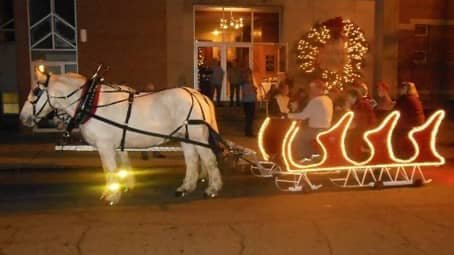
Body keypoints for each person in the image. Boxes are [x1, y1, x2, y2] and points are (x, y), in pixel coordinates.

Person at [288, 80, 333, 160]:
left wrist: (288, 115)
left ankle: (305, 158)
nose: (311, 91)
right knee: (303, 135)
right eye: (310, 89)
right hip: (326, 129)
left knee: (296, 137)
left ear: (319, 89)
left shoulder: (316, 100)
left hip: (316, 130)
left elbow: (303, 116)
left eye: (313, 89)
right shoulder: (328, 99)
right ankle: (313, 156)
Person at [393, 81, 425, 158]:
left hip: (410, 125)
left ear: (407, 89)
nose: (400, 90)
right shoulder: (414, 98)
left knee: (392, 132)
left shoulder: (406, 98)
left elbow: (396, 110)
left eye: (402, 88)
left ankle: (397, 154)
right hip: (416, 123)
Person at [345, 87, 377, 160]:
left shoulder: (361, 105)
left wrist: (348, 110)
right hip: (362, 131)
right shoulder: (358, 105)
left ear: (352, 96)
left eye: (348, 97)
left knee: (354, 147)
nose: (347, 99)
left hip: (363, 133)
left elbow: (357, 122)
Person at [241, 69, 257, 137]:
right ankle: (248, 132)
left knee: (251, 118)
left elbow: (254, 92)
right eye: (249, 74)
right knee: (249, 118)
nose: (250, 76)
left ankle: (249, 131)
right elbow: (246, 93)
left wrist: (254, 90)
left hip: (251, 101)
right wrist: (253, 89)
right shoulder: (245, 83)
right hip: (248, 102)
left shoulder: (250, 83)